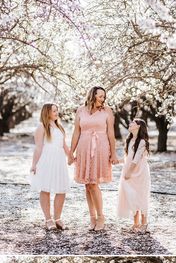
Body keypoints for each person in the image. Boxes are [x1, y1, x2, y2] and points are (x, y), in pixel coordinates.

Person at [69, 86, 118, 231]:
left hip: (100, 148)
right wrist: (71, 152)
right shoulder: (80, 110)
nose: (103, 99)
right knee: (87, 184)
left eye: (104, 96)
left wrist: (113, 153)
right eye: (100, 96)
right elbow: (76, 132)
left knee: (93, 182)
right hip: (84, 148)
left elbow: (111, 133)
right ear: (92, 95)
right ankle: (92, 217)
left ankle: (101, 216)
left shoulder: (107, 111)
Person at [30, 103, 70, 230]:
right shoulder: (42, 127)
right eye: (53, 110)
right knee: (45, 189)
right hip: (47, 159)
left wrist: (71, 156)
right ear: (47, 112)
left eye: (57, 110)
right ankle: (48, 219)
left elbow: (64, 145)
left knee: (61, 190)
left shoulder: (59, 127)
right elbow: (38, 147)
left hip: (59, 160)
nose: (56, 112)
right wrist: (34, 164)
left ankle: (58, 218)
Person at [117, 118, 151, 232]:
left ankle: (144, 223)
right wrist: (117, 161)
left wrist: (128, 173)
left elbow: (136, 160)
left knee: (141, 196)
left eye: (133, 122)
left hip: (139, 172)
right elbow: (128, 158)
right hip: (129, 170)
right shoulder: (130, 140)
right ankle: (135, 223)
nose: (130, 123)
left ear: (138, 126)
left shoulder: (142, 141)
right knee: (132, 196)